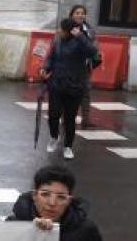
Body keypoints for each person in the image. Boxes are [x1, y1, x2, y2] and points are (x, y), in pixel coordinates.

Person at [42, 17, 99, 159]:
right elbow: (52, 57)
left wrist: (79, 36)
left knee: (69, 118)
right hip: (56, 83)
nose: (58, 30)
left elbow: (93, 51)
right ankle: (54, 137)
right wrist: (46, 68)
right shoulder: (58, 41)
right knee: (53, 114)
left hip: (75, 85)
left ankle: (68, 146)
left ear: (68, 31)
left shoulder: (80, 42)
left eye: (61, 29)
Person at [69, 4, 102, 127]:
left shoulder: (88, 29)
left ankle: (86, 119)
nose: (80, 15)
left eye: (82, 13)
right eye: (77, 13)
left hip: (85, 65)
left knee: (85, 92)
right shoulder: (67, 28)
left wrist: (96, 56)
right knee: (69, 93)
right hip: (69, 66)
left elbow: (93, 45)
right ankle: (67, 118)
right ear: (72, 14)